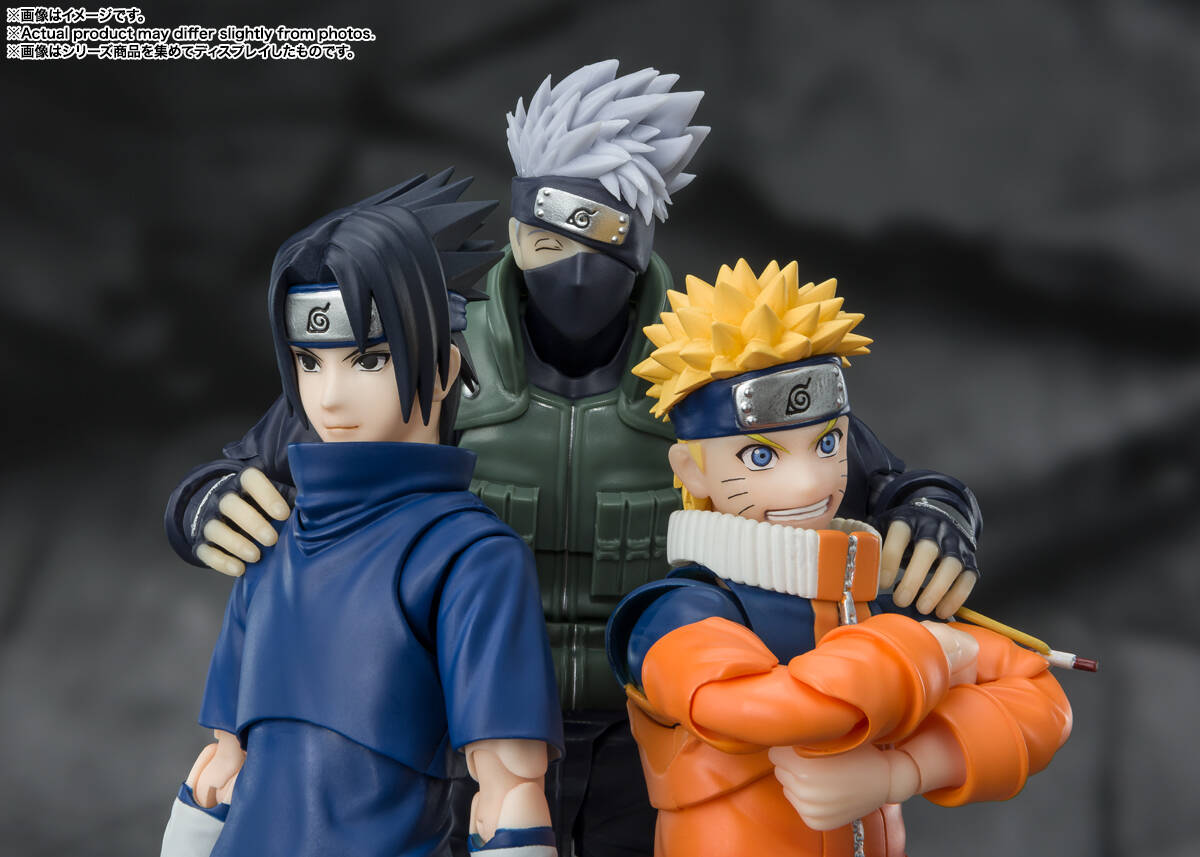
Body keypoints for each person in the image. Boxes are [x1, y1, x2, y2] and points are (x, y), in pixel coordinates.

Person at [162, 63, 982, 856]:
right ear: (519, 233)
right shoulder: (433, 348)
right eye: (550, 237)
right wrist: (207, 502)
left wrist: (934, 517)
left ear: (642, 239)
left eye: (601, 239)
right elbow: (263, 458)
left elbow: (864, 471)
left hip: (658, 722)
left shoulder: (706, 362)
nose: (575, 267)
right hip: (465, 728)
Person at [606, 259, 1072, 857]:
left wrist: (902, 771)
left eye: (827, 443)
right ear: (692, 470)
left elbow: (1039, 699)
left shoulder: (865, 592)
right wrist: (927, 652)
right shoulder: (680, 610)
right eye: (760, 457)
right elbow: (757, 711)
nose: (808, 483)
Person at [159, 173, 563, 857]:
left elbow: (509, 789)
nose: (331, 398)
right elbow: (222, 766)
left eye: (369, 360)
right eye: (309, 363)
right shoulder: (272, 537)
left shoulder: (471, 556)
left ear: (444, 370)